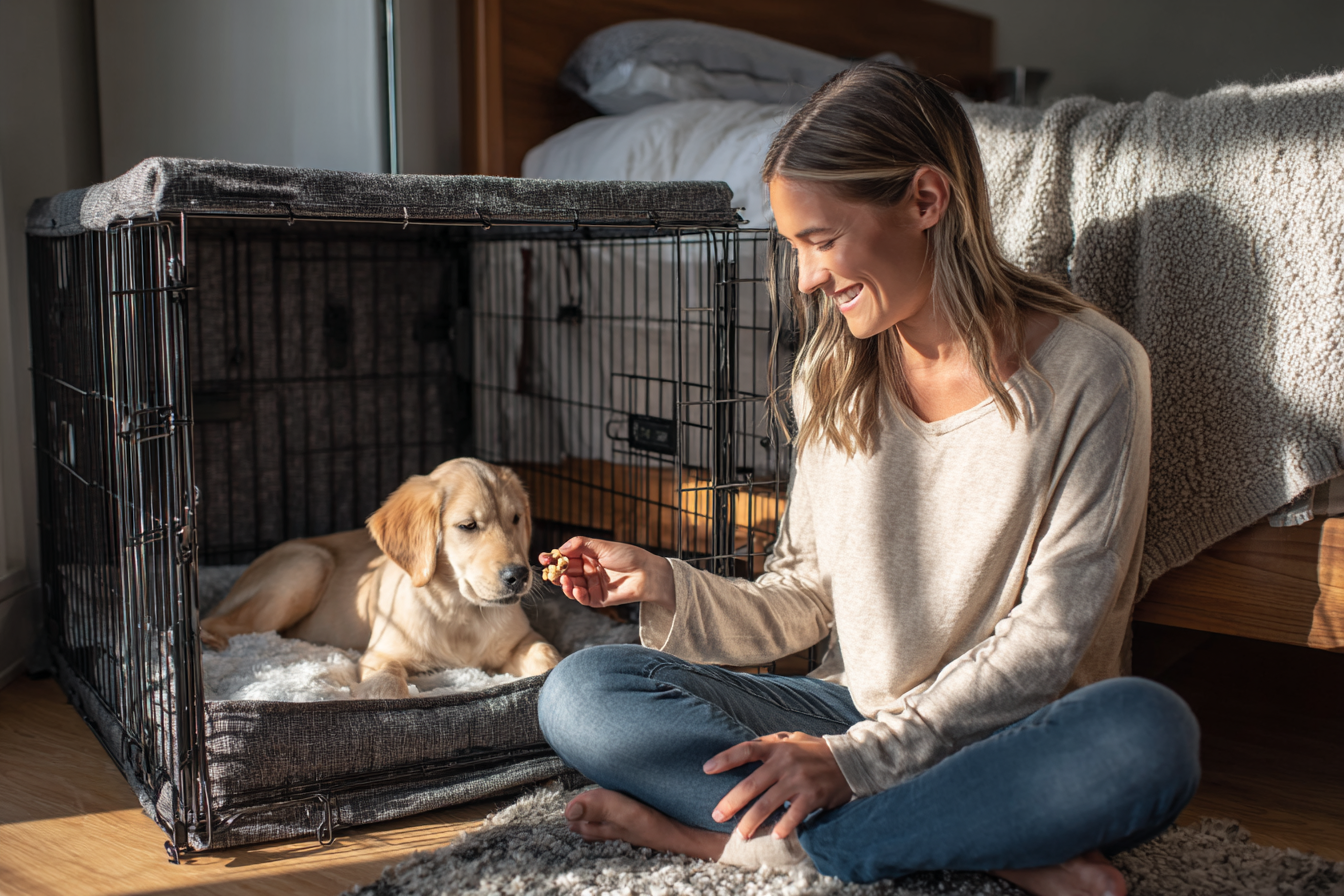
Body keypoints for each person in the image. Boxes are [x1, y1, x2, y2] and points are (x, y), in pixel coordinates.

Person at [536, 63, 1199, 896]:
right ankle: (978, 843)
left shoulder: (1093, 370)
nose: (807, 279)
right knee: (584, 693)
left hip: (1014, 736)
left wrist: (855, 764)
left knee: (1146, 733)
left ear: (925, 201)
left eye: (820, 240)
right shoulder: (833, 375)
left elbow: (1050, 639)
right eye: (794, 247)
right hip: (850, 711)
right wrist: (665, 583)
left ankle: (749, 846)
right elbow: (807, 594)